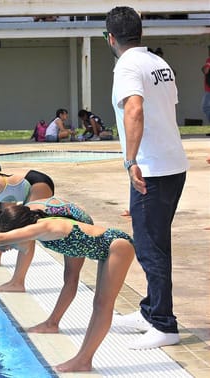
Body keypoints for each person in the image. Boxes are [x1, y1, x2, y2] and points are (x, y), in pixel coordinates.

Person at [0, 204, 135, 373]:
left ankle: (83, 360)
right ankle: (82, 358)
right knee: (98, 304)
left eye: (12, 241)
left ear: (21, 230)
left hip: (117, 245)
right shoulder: (35, 224)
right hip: (106, 249)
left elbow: (2, 236)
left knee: (103, 305)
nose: (10, 246)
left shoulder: (45, 227)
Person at [105, 6, 189, 350]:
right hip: (172, 165)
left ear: (111, 38)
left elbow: (134, 109)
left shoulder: (126, 65)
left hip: (150, 169)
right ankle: (150, 310)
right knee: (154, 243)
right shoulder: (159, 63)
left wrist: (131, 161)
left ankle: (164, 324)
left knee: (150, 248)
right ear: (140, 32)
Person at [201, 46, 210, 123]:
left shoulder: (209, 60)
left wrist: (206, 66)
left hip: (209, 90)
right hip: (208, 89)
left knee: (205, 107)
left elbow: (206, 71)